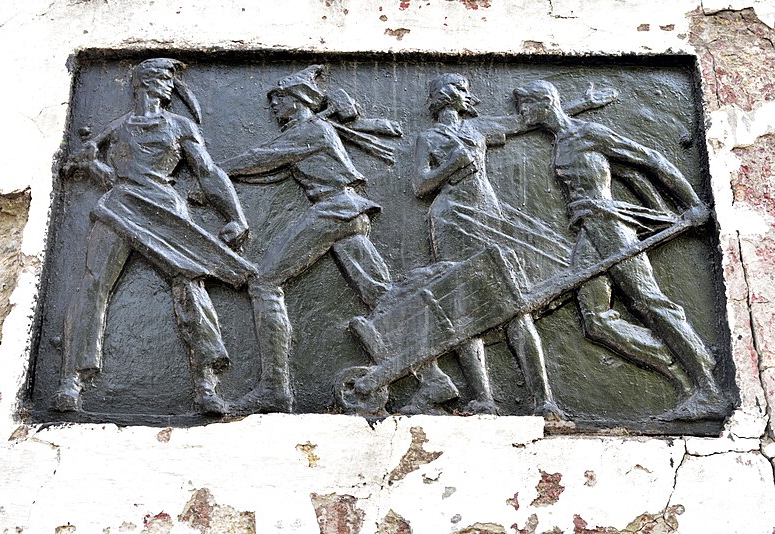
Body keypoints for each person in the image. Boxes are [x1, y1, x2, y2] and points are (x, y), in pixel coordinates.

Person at [50, 58, 256, 415]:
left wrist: (234, 216)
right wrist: (91, 165)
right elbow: (98, 168)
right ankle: (71, 380)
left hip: (165, 208)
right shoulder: (116, 128)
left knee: (190, 283)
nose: (167, 86)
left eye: (169, 80)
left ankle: (206, 384)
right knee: (93, 283)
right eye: (161, 78)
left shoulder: (180, 125)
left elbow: (208, 173)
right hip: (120, 206)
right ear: (142, 83)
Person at [513, 79, 727, 420]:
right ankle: (690, 368)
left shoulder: (587, 134)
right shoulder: (562, 138)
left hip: (609, 225)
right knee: (596, 321)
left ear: (544, 103)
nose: (521, 113)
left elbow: (650, 159)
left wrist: (693, 203)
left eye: (525, 105)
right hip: (587, 230)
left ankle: (710, 391)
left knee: (651, 304)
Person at [410, 73, 610, 415]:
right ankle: (484, 398)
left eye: (465, 90)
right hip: (451, 218)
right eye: (459, 89)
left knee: (514, 302)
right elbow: (419, 186)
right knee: (464, 306)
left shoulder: (478, 129)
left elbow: (523, 123)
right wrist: (449, 166)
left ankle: (544, 400)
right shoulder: (427, 137)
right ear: (443, 96)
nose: (465, 95)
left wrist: (582, 104)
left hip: (488, 215)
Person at [223, 65, 393, 414]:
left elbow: (260, 159)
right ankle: (434, 376)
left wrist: (214, 171)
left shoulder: (311, 130)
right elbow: (268, 168)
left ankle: (274, 388)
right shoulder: (314, 129)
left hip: (333, 210)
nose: (273, 107)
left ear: (297, 101)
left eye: (279, 100)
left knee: (264, 282)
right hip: (347, 211)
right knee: (380, 294)